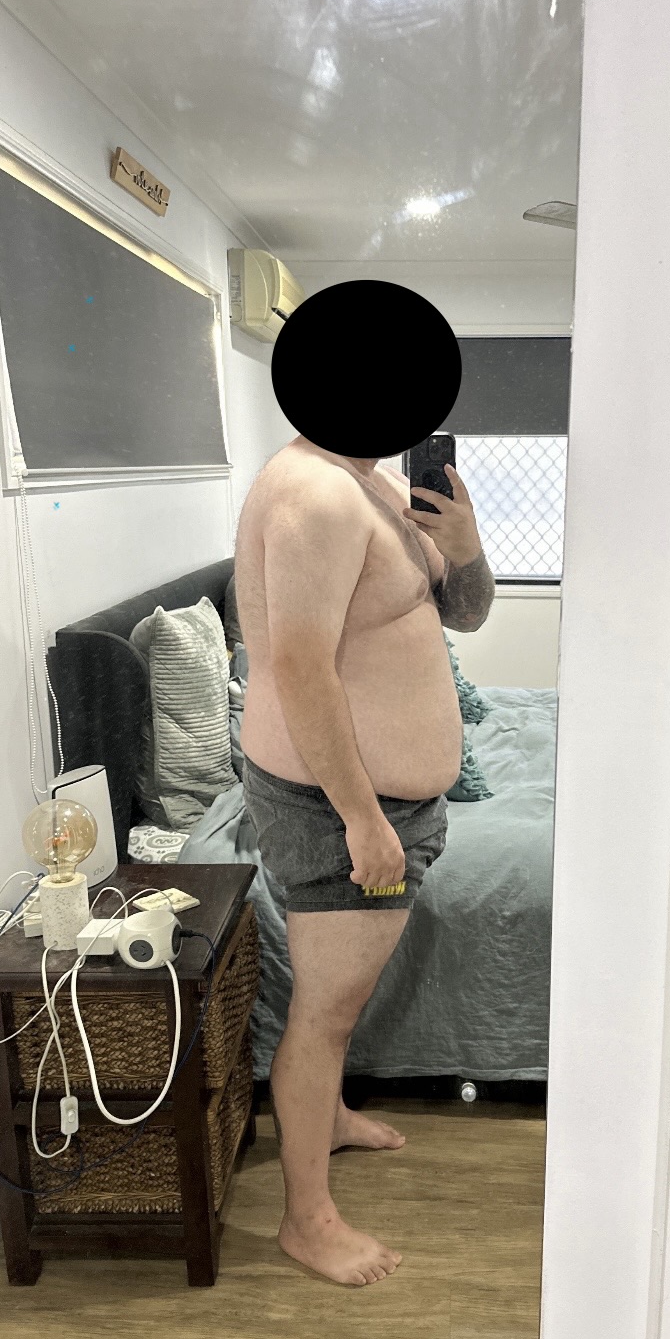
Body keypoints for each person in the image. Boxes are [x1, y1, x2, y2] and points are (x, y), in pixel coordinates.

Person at [234, 433, 495, 1286]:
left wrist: (466, 548)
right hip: (339, 803)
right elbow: (298, 666)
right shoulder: (315, 496)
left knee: (340, 1001)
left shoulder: (374, 484)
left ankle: (331, 1116)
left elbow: (464, 614)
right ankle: (306, 1221)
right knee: (325, 1013)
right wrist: (361, 817)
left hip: (388, 802)